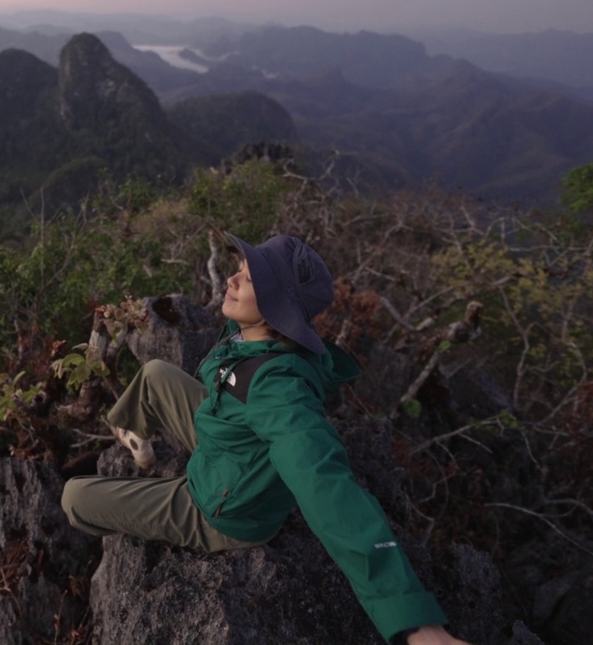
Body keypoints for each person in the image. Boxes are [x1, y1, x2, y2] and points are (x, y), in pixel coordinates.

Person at [61, 232, 472, 645]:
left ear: (279, 306)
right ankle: (134, 431)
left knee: (74, 498)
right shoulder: (256, 338)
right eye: (238, 270)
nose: (232, 280)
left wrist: (414, 621)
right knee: (153, 374)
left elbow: (325, 483)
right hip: (226, 441)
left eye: (251, 279)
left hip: (224, 509)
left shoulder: (278, 389)